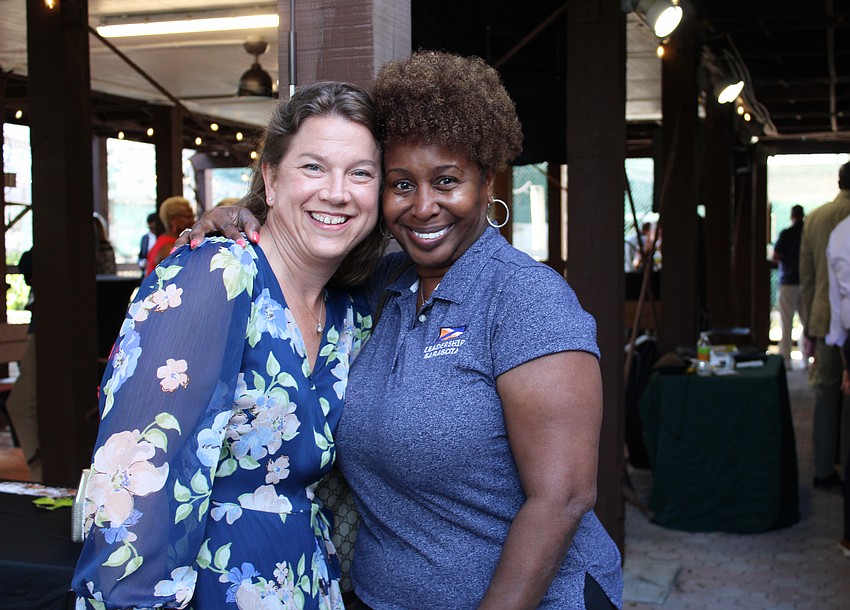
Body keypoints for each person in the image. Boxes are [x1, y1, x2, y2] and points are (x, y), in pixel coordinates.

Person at [182, 50, 623, 609]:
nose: (423, 207)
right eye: (400, 184)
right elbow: (293, 249)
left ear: (488, 181)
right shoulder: (379, 284)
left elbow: (563, 496)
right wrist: (235, 217)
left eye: (446, 181)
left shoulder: (525, 299)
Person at [72, 81, 384, 609]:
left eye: (361, 173)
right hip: (208, 589)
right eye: (313, 167)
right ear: (270, 176)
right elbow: (131, 482)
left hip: (308, 582)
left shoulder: (349, 314)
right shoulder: (215, 272)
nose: (338, 191)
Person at [800, 161, 850, 490]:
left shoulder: (815, 217)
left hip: (822, 315)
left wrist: (807, 321)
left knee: (826, 395)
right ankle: (847, 469)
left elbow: (806, 276)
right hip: (846, 318)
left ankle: (821, 469)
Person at [5, 248, 39, 481]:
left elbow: (27, 262)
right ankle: (38, 464)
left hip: (46, 334)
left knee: (20, 404)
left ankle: (39, 467)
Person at [773, 204, 806, 364]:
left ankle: (785, 357)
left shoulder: (786, 234)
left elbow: (776, 255)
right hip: (805, 281)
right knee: (806, 321)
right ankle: (807, 356)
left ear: (792, 216)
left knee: (786, 321)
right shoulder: (807, 234)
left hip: (788, 281)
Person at [143, 196, 196, 277]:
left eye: (193, 216)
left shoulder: (161, 240)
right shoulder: (169, 247)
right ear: (173, 220)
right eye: (188, 216)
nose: (193, 221)